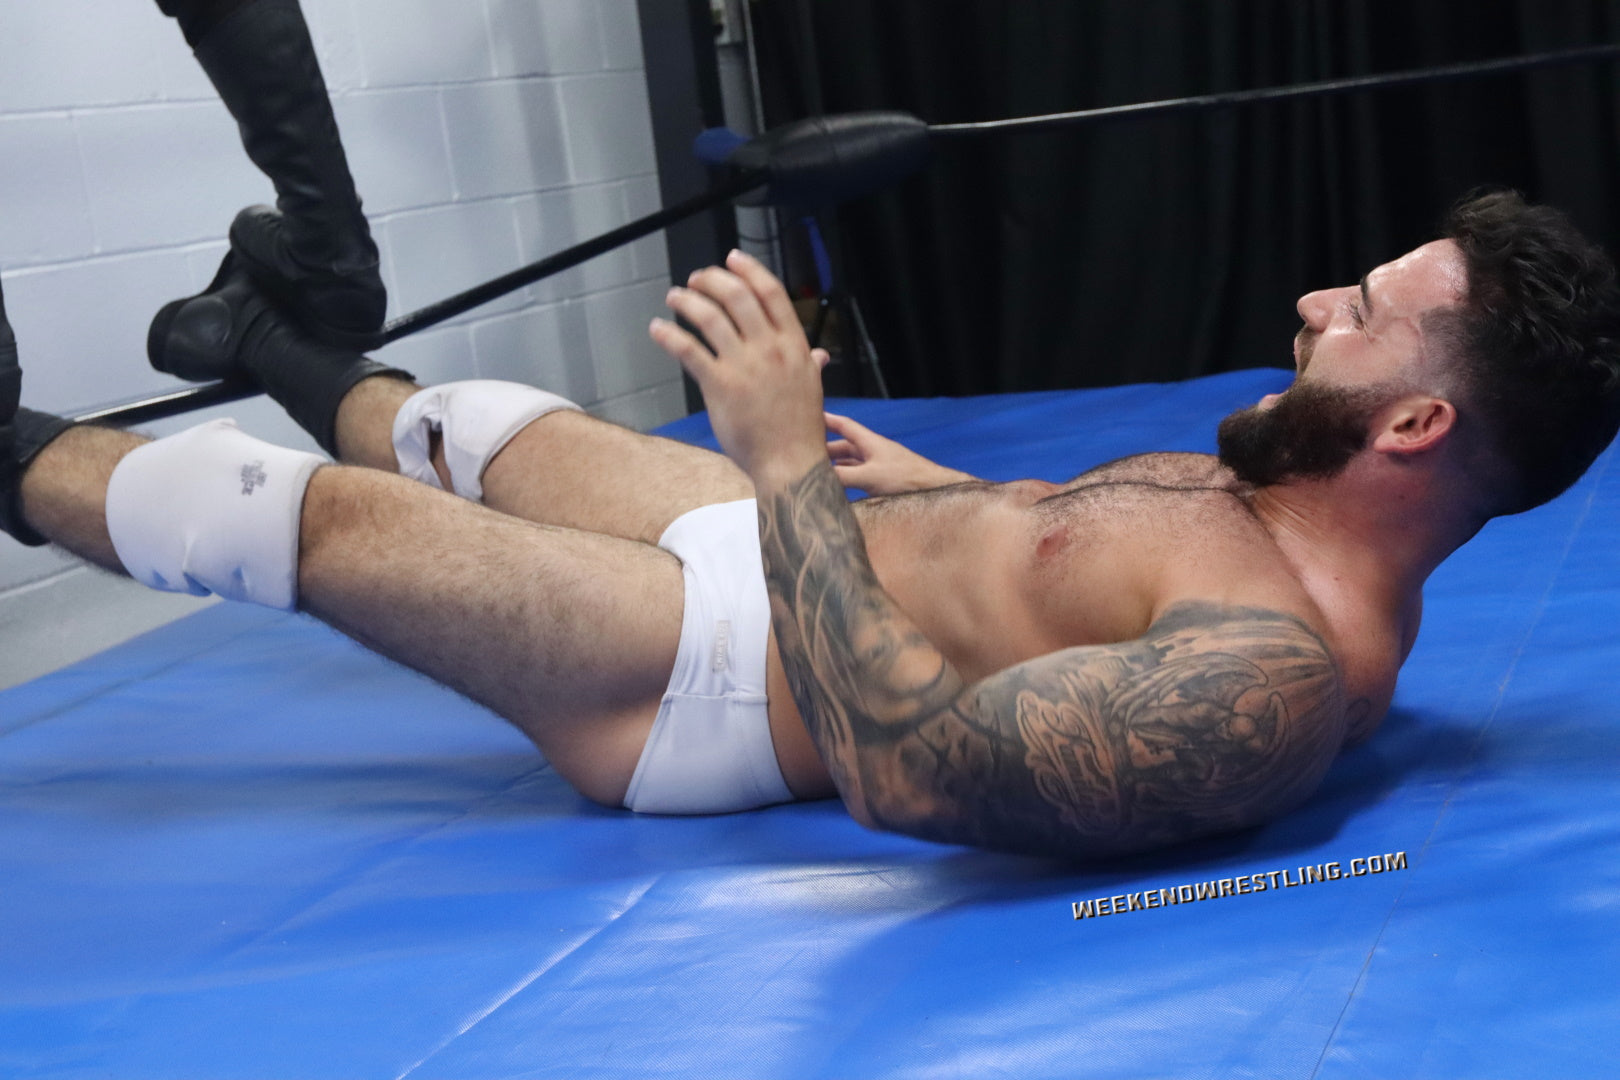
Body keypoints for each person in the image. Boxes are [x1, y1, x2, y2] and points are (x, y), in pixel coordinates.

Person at [2, 191, 1618, 859]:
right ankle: (266, 335)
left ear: (1417, 428)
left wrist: (783, 461)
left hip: (708, 681)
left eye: (1364, 312)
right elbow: (1086, 560)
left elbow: (908, 775)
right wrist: (949, 494)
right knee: (475, 428)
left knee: (313, 519)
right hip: (796, 557)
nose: (1319, 301)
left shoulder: (1273, 681)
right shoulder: (1275, 494)